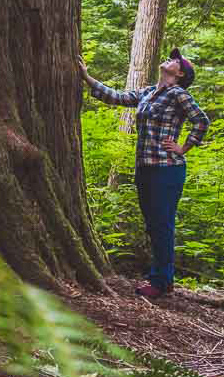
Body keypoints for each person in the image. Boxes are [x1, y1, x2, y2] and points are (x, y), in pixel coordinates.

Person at [78, 48, 209, 298]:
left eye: (175, 61)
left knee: (162, 225)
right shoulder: (149, 92)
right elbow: (117, 97)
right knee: (153, 225)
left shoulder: (178, 94)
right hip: (145, 168)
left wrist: (183, 147)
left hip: (167, 169)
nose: (169, 60)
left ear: (180, 73)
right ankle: (160, 277)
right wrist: (87, 78)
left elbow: (201, 121)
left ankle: (160, 281)